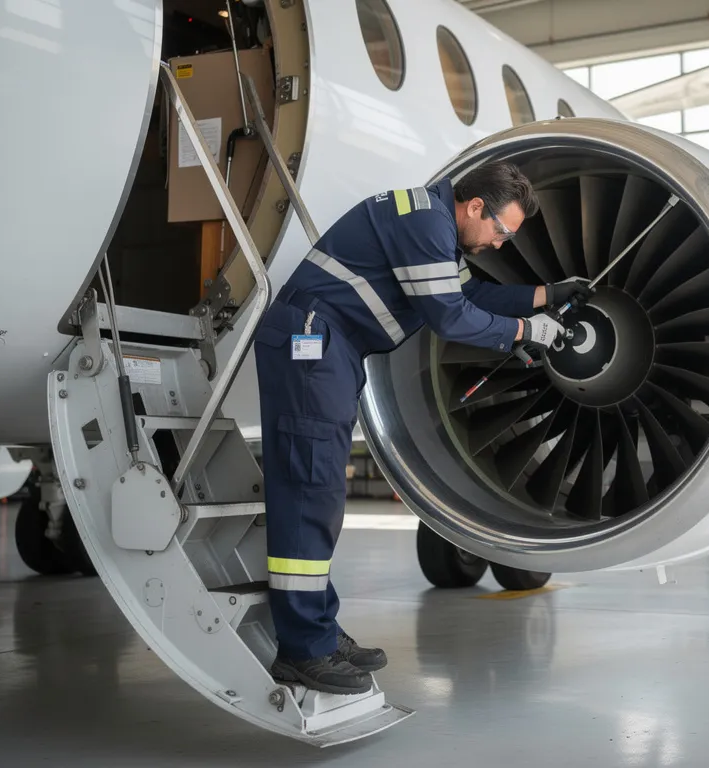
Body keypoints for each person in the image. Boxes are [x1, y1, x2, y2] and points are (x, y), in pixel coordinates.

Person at [251, 162, 593, 695]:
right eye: (501, 232)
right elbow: (451, 318)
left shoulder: (434, 228)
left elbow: (473, 297)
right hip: (312, 346)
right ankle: (301, 649)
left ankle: (318, 629)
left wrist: (547, 295)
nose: (501, 245)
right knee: (308, 494)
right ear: (475, 207)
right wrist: (527, 330)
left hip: (328, 350)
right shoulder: (424, 223)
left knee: (319, 496)